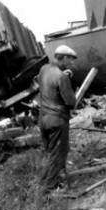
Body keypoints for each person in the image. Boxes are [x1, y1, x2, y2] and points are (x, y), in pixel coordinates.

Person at [37, 45, 77, 191]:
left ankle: (41, 183)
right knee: (58, 155)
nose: (72, 64)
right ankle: (47, 190)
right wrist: (66, 80)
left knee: (50, 154)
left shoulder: (43, 70)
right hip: (57, 120)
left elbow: (49, 81)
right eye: (71, 60)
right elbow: (71, 103)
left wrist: (63, 74)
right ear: (64, 58)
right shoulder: (62, 77)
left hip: (43, 119)